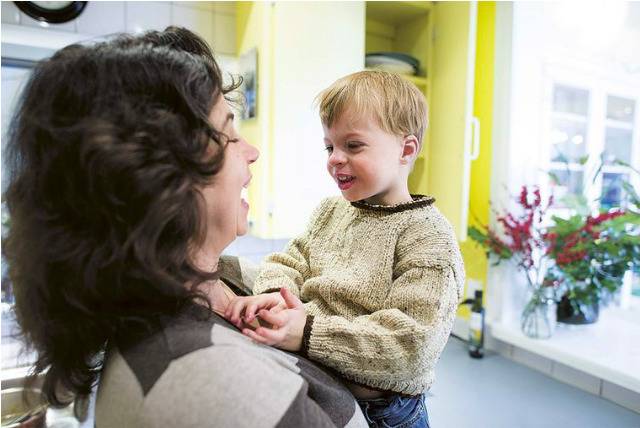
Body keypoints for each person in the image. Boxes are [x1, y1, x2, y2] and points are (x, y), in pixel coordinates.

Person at [3, 27, 368, 428]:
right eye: (229, 134)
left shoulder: (212, 286)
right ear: (162, 178)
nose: (252, 151)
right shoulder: (215, 384)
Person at [224, 70, 465, 428]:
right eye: (330, 146)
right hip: (322, 381)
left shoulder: (429, 239)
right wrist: (277, 294)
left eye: (353, 145)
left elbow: (412, 346)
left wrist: (307, 332)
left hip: (386, 412)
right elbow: (288, 260)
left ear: (406, 149)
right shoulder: (330, 211)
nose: (335, 158)